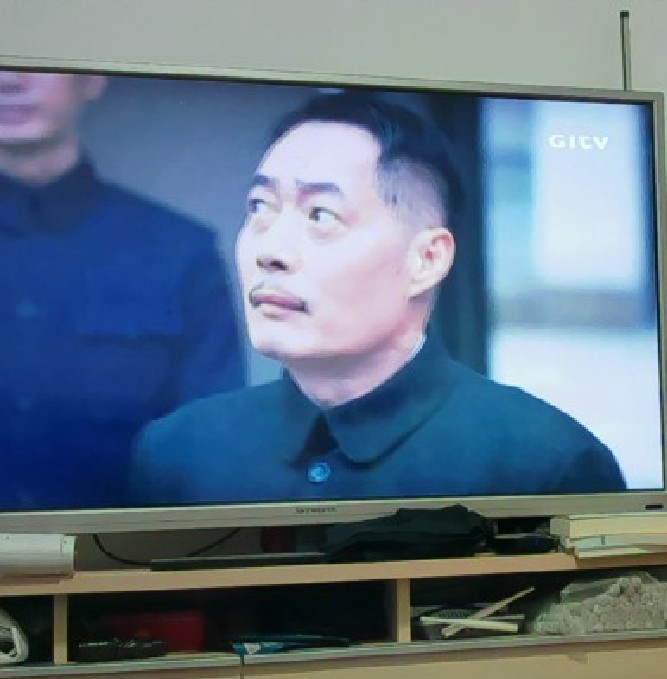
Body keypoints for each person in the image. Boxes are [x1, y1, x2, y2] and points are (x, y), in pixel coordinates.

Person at [129, 91, 626, 505]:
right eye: (260, 207)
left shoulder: (545, 464)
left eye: (321, 215)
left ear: (426, 259)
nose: (270, 251)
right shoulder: (176, 454)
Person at [0, 71, 244, 510]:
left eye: (36, 60)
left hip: (121, 549)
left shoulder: (180, 251)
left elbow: (210, 453)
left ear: (91, 79)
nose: (10, 80)